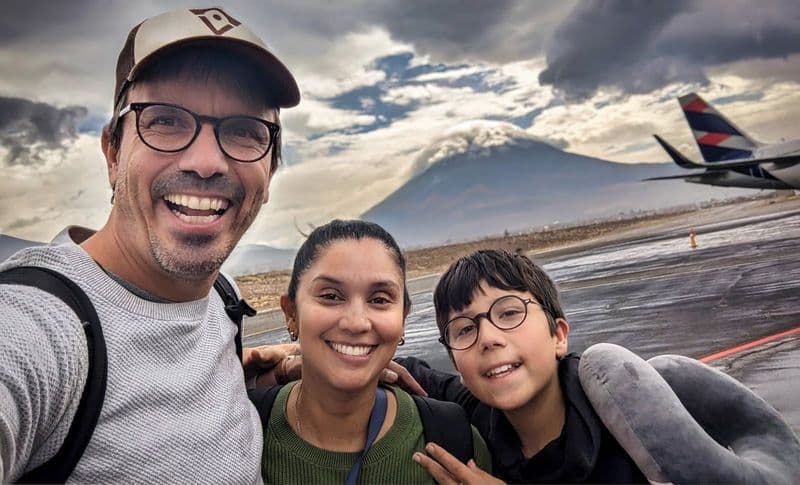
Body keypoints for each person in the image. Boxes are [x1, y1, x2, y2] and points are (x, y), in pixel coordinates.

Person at [0, 7, 299, 483]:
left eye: (244, 131)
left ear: (271, 169)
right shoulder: (41, 328)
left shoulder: (221, 300)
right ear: (113, 153)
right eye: (165, 121)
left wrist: (263, 376)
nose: (206, 162)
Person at [255, 219, 492, 483]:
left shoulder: (453, 443)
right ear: (291, 314)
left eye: (379, 300)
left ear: (402, 319)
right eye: (331, 296)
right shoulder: (239, 431)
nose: (357, 322)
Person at [396, 249, 647, 483]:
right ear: (457, 366)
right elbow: (422, 378)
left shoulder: (628, 428)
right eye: (466, 329)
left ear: (558, 336)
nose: (487, 338)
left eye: (509, 313)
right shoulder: (479, 414)